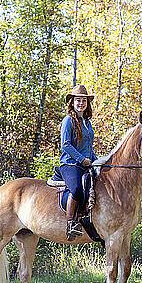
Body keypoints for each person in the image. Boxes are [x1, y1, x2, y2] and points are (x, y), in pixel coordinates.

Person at [60, 84, 98, 240]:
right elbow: (66, 145)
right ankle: (70, 224)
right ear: (72, 102)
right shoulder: (68, 121)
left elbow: (88, 147)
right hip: (70, 164)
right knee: (76, 189)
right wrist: (82, 159)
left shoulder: (86, 122)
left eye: (84, 101)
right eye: (78, 100)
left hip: (86, 164)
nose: (81, 103)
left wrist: (98, 161)